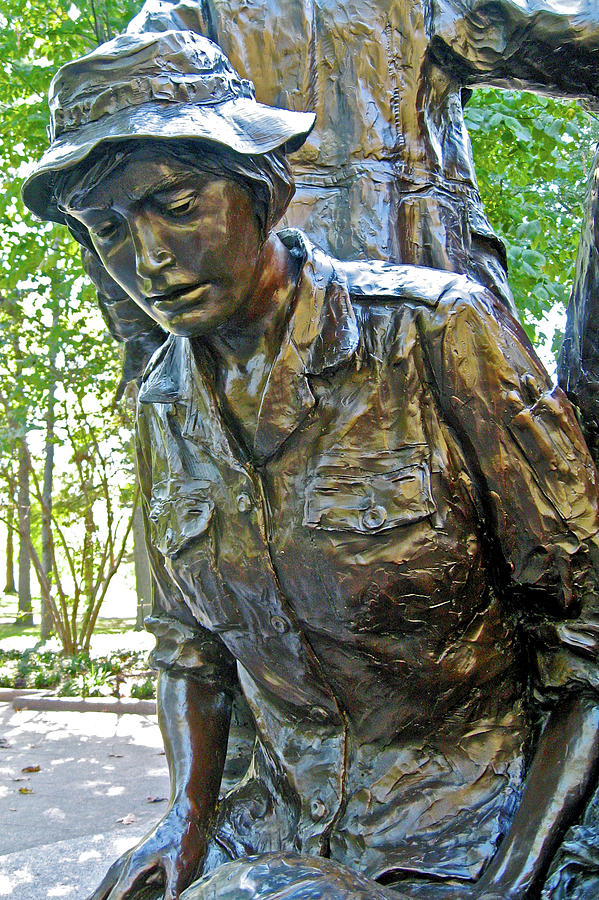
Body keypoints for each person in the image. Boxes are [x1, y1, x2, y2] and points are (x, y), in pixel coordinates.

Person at [22, 29, 599, 900]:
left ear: (265, 189)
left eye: (176, 204)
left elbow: (587, 640)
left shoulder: (435, 333)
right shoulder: (163, 403)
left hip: (482, 827)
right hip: (272, 824)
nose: (147, 260)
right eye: (107, 229)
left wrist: (511, 879)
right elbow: (188, 650)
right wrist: (182, 819)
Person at [123, 0, 599, 311]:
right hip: (421, 273)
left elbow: (109, 191)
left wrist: (157, 366)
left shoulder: (180, 13)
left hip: (396, 284)